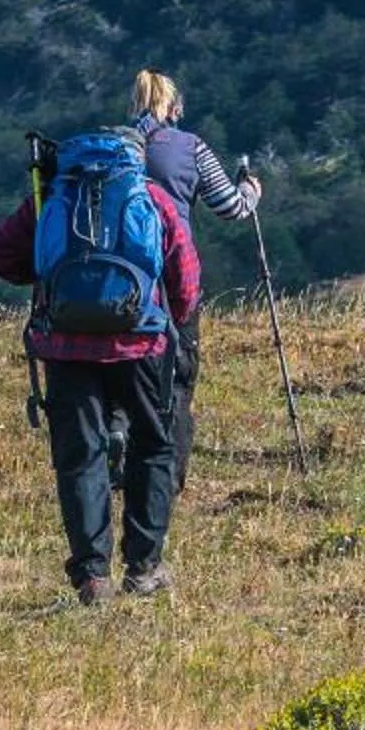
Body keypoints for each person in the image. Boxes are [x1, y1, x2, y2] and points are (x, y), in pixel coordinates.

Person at [0, 136, 202, 605]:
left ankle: (92, 576)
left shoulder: (53, 196)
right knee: (153, 447)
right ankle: (143, 567)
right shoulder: (150, 195)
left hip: (65, 344)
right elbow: (185, 272)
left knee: (80, 456)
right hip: (139, 339)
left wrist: (49, 279)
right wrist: (174, 318)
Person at [129, 69, 259, 492]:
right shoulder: (190, 147)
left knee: (124, 369)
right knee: (179, 379)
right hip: (172, 280)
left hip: (120, 284)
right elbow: (230, 207)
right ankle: (169, 480)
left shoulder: (116, 147)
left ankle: (120, 456)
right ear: (173, 106)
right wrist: (252, 191)